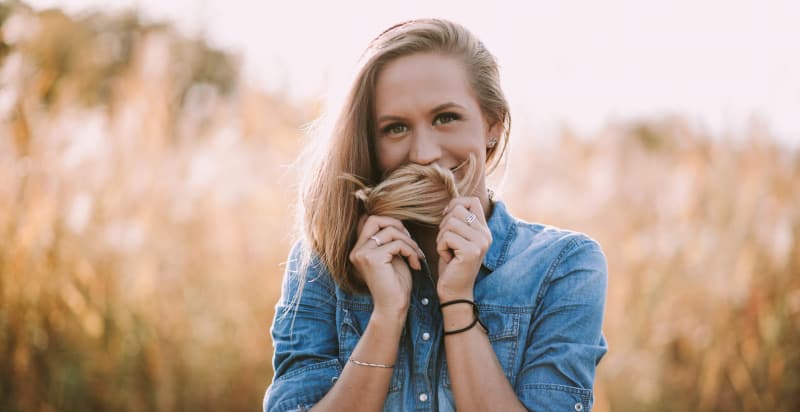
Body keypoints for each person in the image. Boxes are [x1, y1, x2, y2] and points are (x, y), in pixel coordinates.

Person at [263, 18, 608, 412]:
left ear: (492, 125)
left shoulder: (563, 266)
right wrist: (386, 317)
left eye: (446, 118)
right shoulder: (320, 266)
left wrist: (458, 299)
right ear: (370, 142)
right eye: (395, 128)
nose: (424, 153)